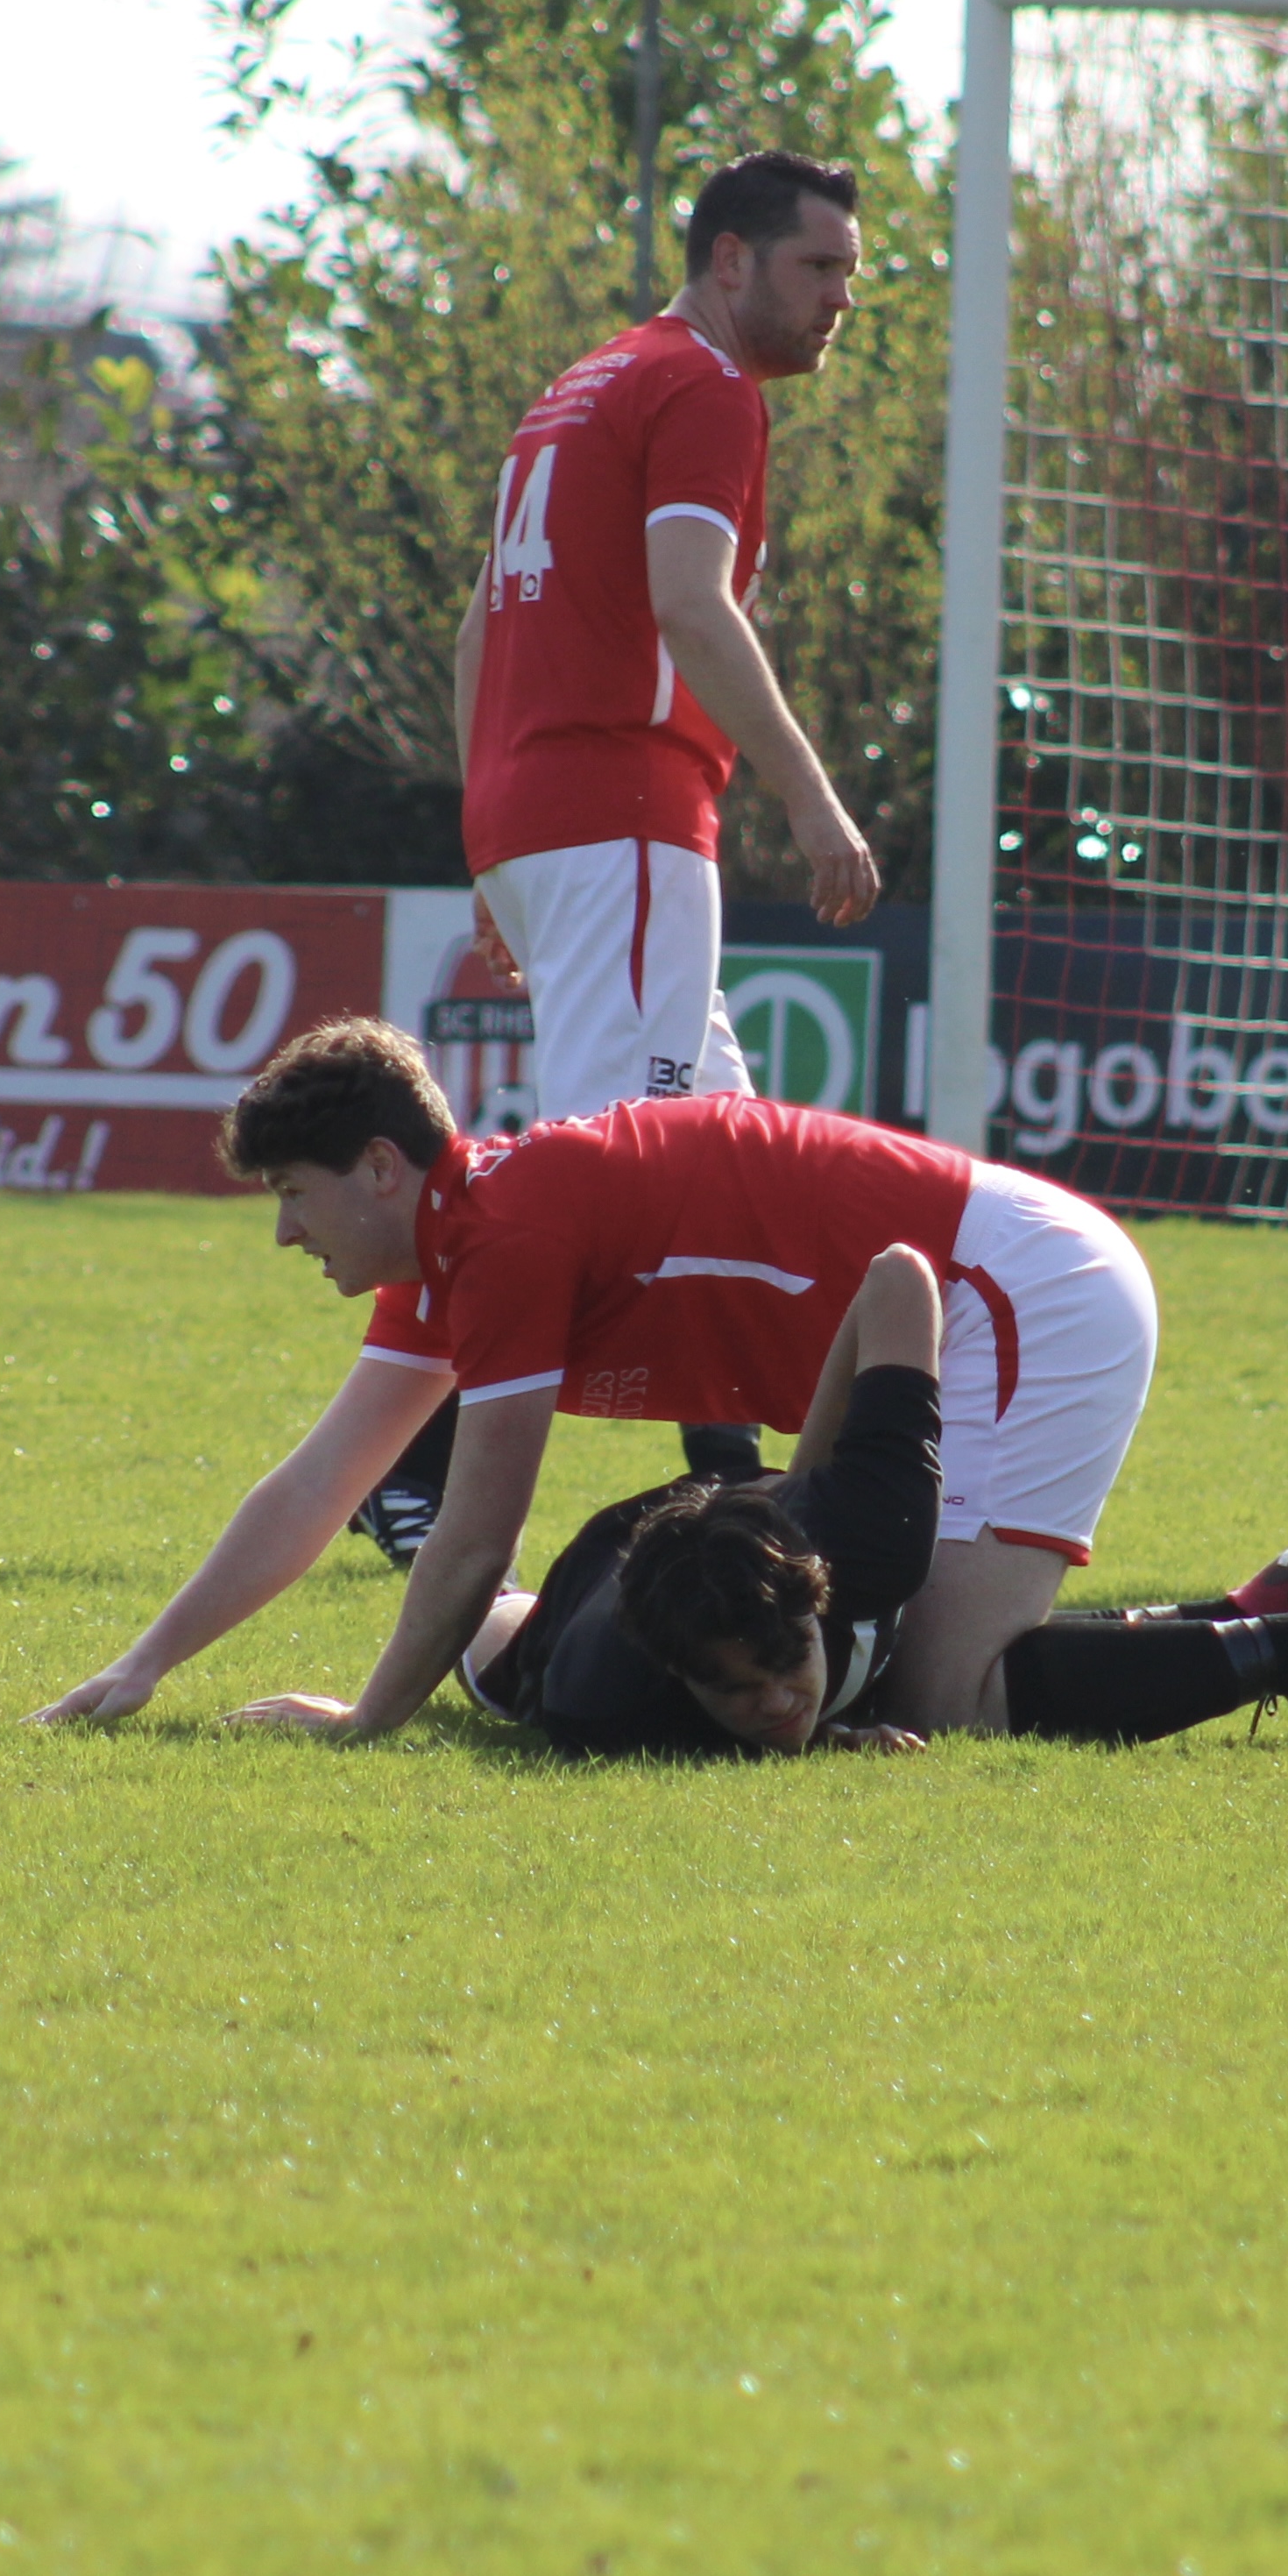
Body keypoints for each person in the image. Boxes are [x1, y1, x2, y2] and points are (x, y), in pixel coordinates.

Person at [28, 1016, 1288, 1756]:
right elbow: (324, 1482)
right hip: (968, 1288)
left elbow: (476, 1542)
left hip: (1012, 1291)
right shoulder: (456, 1239)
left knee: (948, 1694)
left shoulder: (507, 1237)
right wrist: (149, 1663)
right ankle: (1265, 1613)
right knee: (884, 1662)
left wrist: (363, 1729)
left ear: (378, 1169)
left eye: (292, 1193)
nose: (286, 1230)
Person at [350, 150, 881, 1565]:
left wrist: (489, 839)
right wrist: (814, 800)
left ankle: (752, 1490)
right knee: (611, 1182)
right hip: (623, 826)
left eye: (849, 270)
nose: (843, 297)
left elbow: (478, 636)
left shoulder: (579, 386)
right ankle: (412, 1466)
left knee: (731, 1162)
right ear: (730, 261)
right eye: (819, 267)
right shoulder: (703, 388)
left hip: (544, 825)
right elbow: (690, 610)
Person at [459, 1245, 1288, 1763]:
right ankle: (1275, 1613)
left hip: (1042, 1294)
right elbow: (492, 1642)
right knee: (492, 1669)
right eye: (735, 1694)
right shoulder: (601, 1701)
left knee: (948, 1692)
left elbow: (899, 1276)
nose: (774, 1701)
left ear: (815, 1599)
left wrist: (802, 1479)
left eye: (786, 1665)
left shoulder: (870, 1528)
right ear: (681, 1677)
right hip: (635, 1560)